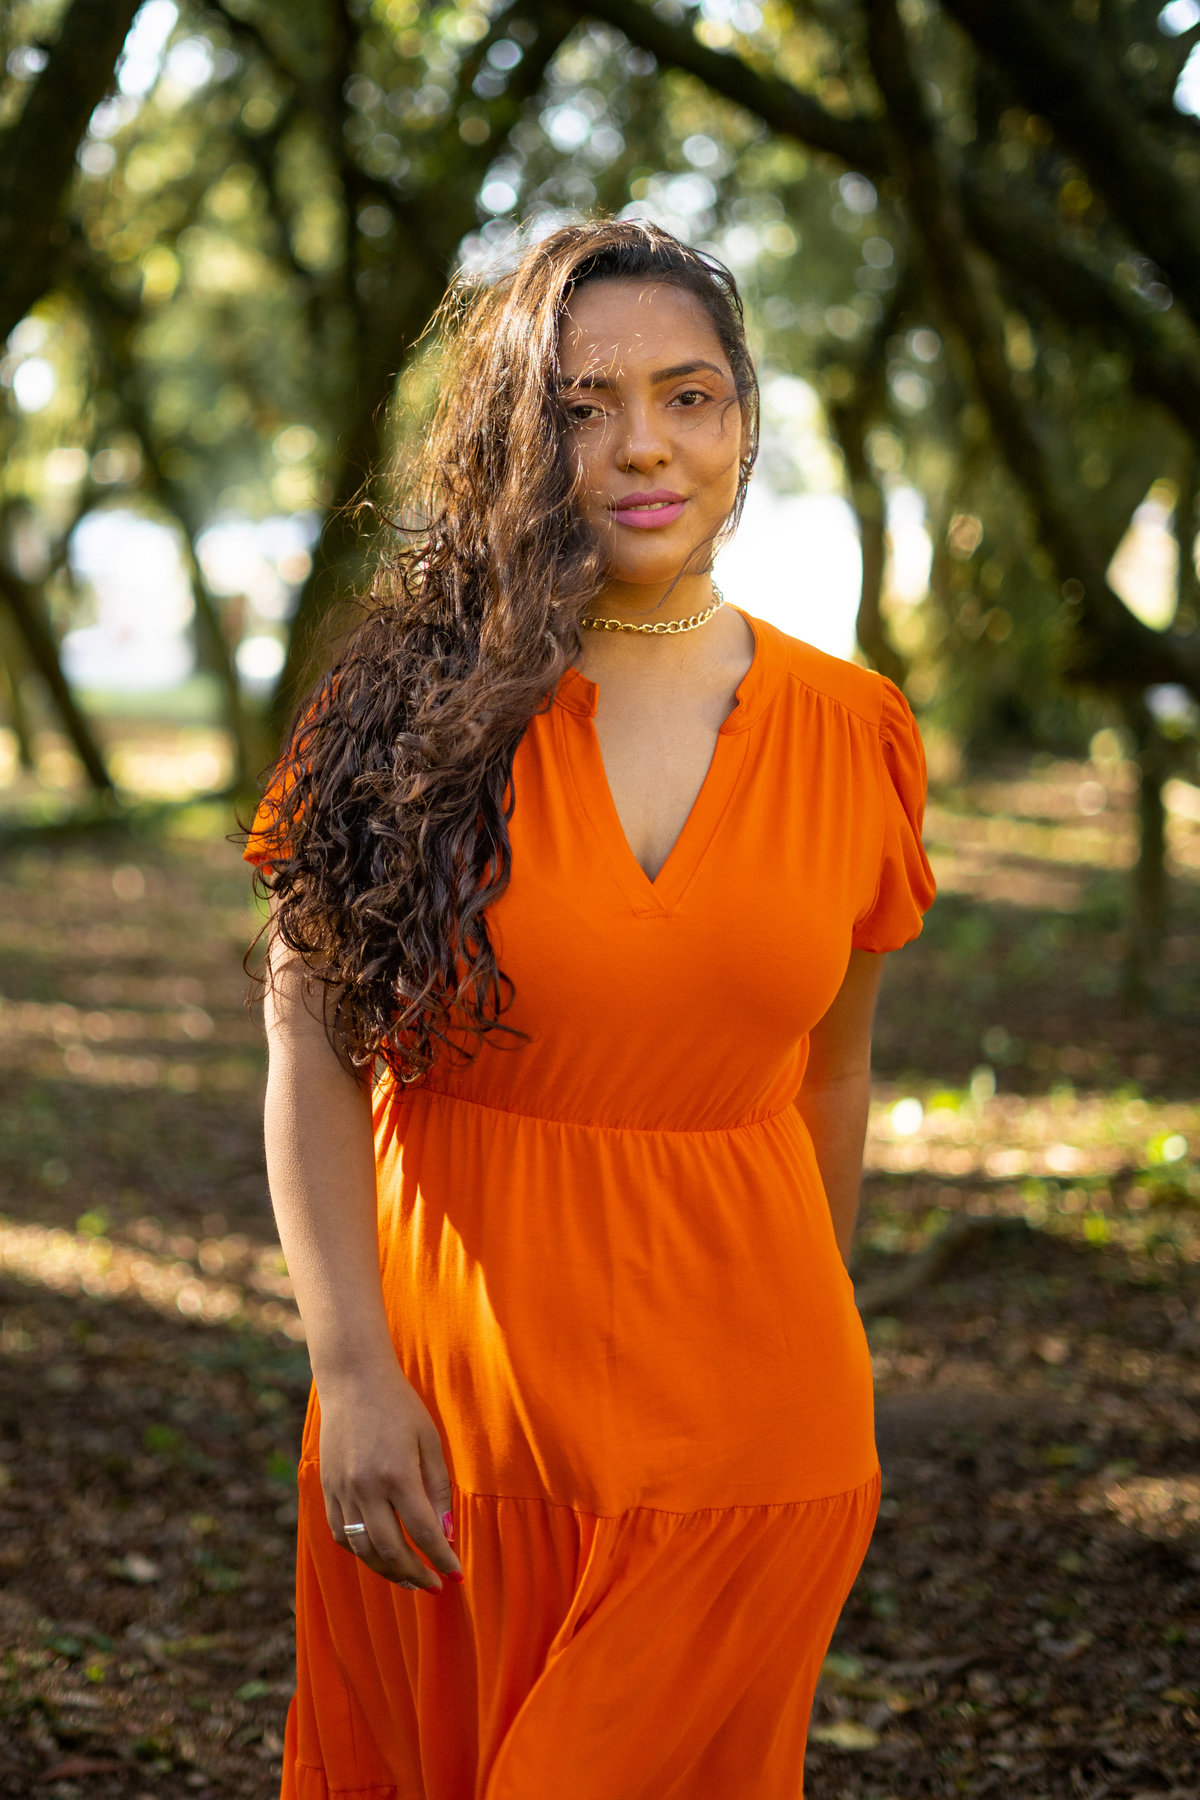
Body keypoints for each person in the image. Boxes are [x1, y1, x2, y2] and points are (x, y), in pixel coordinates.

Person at [245, 217, 935, 1800]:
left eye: (690, 397)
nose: (644, 445)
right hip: (455, 1424)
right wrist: (351, 1366)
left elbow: (833, 1077)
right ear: (513, 430)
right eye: (581, 404)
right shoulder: (398, 706)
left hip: (759, 1429)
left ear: (744, 418)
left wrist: (815, 1324)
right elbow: (308, 1044)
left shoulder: (857, 730)